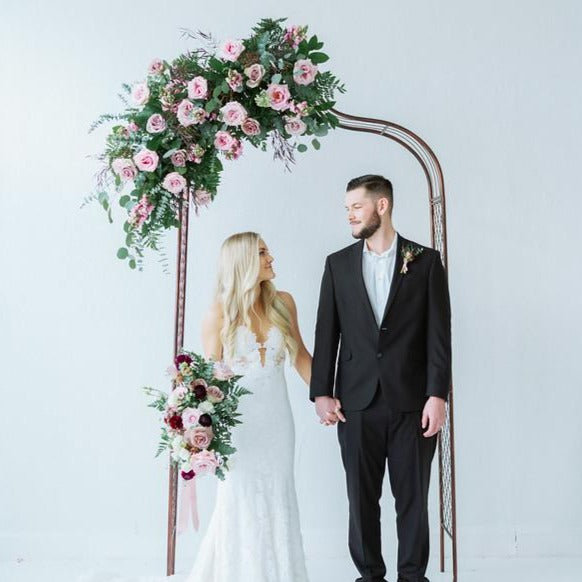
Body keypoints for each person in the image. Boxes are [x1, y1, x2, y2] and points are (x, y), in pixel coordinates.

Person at [310, 175, 452, 582]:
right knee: (361, 500)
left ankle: (412, 576)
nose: (350, 215)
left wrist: (437, 395)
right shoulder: (337, 264)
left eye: (356, 207)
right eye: (348, 209)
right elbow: (326, 331)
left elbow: (439, 335)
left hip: (412, 403)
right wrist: (321, 391)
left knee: (411, 500)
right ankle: (369, 576)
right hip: (355, 403)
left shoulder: (424, 261)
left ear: (382, 206)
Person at [187, 231, 338, 582]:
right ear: (242, 263)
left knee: (278, 493)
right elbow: (210, 381)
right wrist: (202, 429)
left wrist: (326, 395)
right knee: (238, 496)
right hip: (241, 427)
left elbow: (301, 356)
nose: (271, 257)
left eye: (268, 250)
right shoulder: (217, 314)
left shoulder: (283, 302)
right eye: (262, 252)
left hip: (277, 422)